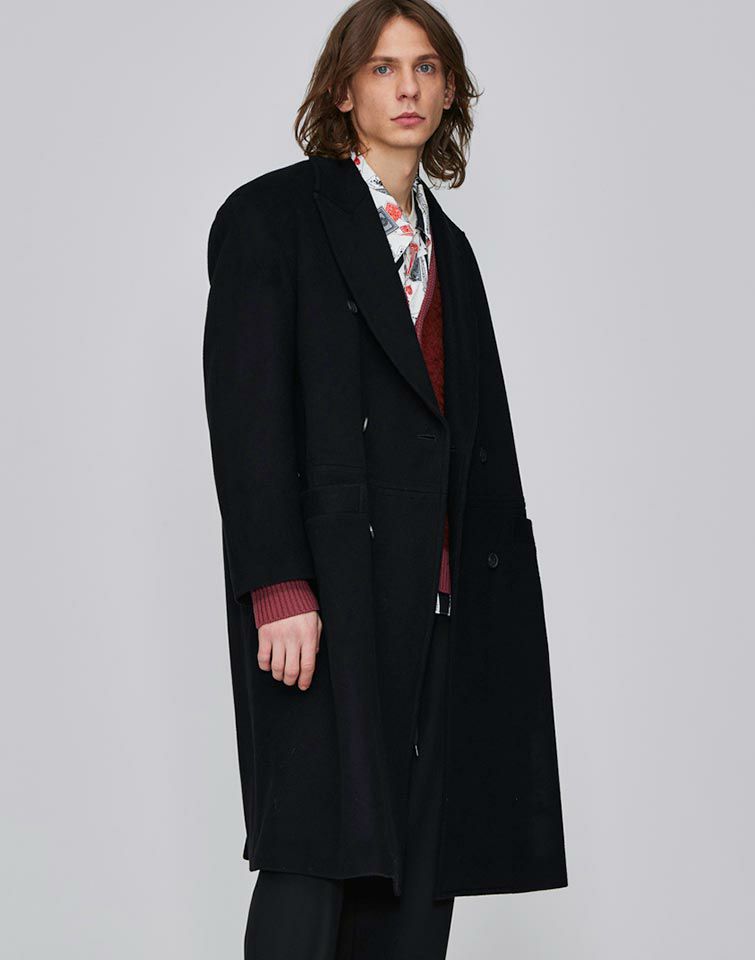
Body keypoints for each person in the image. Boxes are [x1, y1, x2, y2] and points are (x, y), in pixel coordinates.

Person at [202, 1, 568, 957]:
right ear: (343, 89)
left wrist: (490, 604)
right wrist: (279, 586)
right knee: (313, 855)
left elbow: (471, 443)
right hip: (328, 596)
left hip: (442, 605)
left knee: (418, 868)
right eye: (383, 67)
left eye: (426, 67)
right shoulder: (273, 217)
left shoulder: (456, 253)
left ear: (448, 92)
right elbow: (246, 414)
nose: (407, 87)